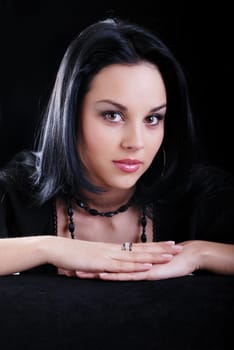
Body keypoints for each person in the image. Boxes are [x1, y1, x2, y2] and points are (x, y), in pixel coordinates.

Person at [0, 17, 234, 280]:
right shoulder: (18, 191)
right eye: (113, 115)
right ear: (71, 115)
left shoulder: (197, 194)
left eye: (152, 119)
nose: (136, 142)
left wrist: (200, 254)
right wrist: (50, 248)